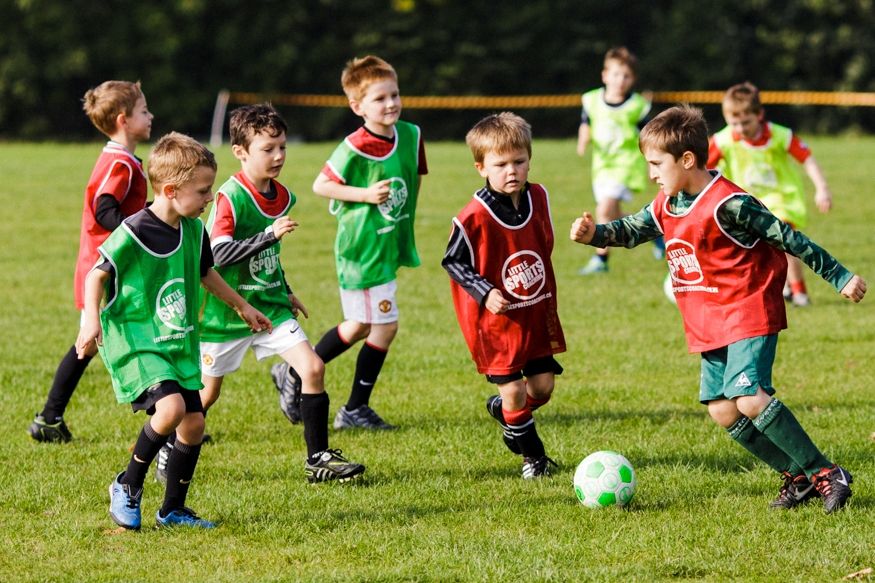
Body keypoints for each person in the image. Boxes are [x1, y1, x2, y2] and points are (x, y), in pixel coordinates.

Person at [570, 105, 867, 513]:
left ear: (687, 160)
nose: (651, 174)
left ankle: (826, 473)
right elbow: (633, 229)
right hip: (709, 319)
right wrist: (595, 234)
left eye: (657, 164)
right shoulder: (666, 204)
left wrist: (839, 276)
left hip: (749, 310)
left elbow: (789, 238)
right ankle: (796, 478)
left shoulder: (730, 203)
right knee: (723, 409)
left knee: (748, 397)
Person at [76, 132, 272, 529]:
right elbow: (96, 276)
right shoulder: (134, 231)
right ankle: (127, 485)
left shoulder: (195, 231)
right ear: (170, 189)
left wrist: (244, 306)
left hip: (176, 339)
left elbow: (205, 274)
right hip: (138, 339)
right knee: (171, 409)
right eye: (202, 191)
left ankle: (173, 510)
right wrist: (90, 319)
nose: (209, 198)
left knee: (195, 424)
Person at [193, 103, 364, 484]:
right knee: (205, 396)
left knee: (313, 368)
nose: (278, 156)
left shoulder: (283, 196)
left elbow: (270, 255)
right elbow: (218, 254)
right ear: (240, 152)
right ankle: (171, 446)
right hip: (227, 312)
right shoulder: (229, 197)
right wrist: (268, 234)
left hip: (269, 307)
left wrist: (285, 290)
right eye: (267, 149)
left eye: (282, 147)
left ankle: (318, 458)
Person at [294, 55, 427, 430]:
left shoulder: (412, 136)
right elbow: (321, 185)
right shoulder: (354, 146)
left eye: (395, 95)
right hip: (361, 250)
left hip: (388, 244)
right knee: (383, 326)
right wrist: (365, 195)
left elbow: (411, 183)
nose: (391, 104)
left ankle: (294, 371)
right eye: (380, 98)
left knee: (359, 326)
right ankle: (352, 407)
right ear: (357, 107)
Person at [443, 112, 566, 479]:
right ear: (481, 167)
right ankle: (535, 460)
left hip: (533, 312)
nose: (511, 170)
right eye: (500, 164)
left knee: (542, 388)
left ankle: (509, 415)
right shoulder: (472, 217)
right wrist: (485, 291)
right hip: (495, 322)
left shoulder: (539, 196)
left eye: (519, 161)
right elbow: (452, 261)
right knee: (515, 392)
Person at [30, 81, 153, 442]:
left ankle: (49, 417)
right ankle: (174, 415)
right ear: (123, 120)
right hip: (106, 267)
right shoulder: (120, 163)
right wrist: (139, 230)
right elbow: (104, 210)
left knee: (91, 343)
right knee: (123, 338)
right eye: (144, 111)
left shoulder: (122, 158)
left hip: (105, 264)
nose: (151, 116)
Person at [708, 81, 834, 307]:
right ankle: (781, 288)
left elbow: (807, 159)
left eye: (745, 122)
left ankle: (799, 292)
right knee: (756, 250)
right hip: (745, 202)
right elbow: (700, 166)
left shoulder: (780, 135)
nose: (740, 128)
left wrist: (822, 188)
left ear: (760, 115)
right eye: (733, 123)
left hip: (781, 198)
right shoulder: (723, 140)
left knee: (783, 240)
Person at [576, 47, 662, 275]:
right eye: (615, 74)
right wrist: (583, 139)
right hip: (602, 166)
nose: (620, 80)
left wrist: (654, 163)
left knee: (604, 210)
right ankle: (653, 233)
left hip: (626, 165)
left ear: (632, 79)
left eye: (626, 76)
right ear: (604, 75)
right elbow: (586, 121)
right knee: (612, 213)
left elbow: (649, 135)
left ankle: (600, 260)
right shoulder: (592, 99)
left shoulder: (636, 106)